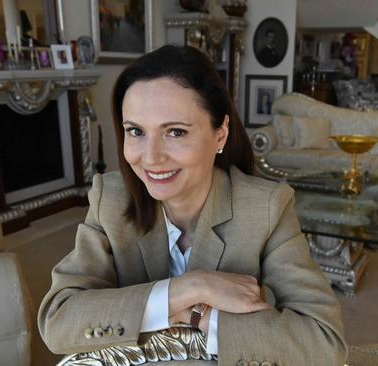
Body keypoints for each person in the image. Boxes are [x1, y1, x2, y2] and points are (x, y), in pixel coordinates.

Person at [38, 45, 347, 365]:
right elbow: (58, 320)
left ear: (220, 135)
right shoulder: (111, 197)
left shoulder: (266, 206)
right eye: (136, 131)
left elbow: (326, 342)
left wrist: (203, 319)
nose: (152, 157)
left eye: (175, 132)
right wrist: (189, 289)